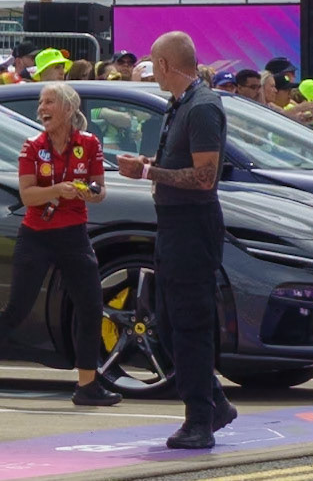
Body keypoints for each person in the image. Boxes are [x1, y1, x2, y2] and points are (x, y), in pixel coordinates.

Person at [0, 83, 120, 408]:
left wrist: (90, 192)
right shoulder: (33, 147)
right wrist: (58, 189)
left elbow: (100, 189)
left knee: (90, 307)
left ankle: (87, 384)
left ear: (69, 109)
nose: (42, 108)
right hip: (37, 235)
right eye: (41, 102)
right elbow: (28, 195)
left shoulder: (88, 144)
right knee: (18, 307)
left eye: (49, 102)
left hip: (74, 235)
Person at [115, 31, 237, 450]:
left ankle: (199, 420)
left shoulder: (202, 107)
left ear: (166, 65)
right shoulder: (181, 104)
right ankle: (214, 403)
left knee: (190, 324)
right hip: (172, 224)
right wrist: (153, 163)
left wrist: (148, 172)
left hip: (192, 226)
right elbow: (183, 163)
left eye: (155, 65)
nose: (153, 74)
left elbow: (205, 177)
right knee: (166, 322)